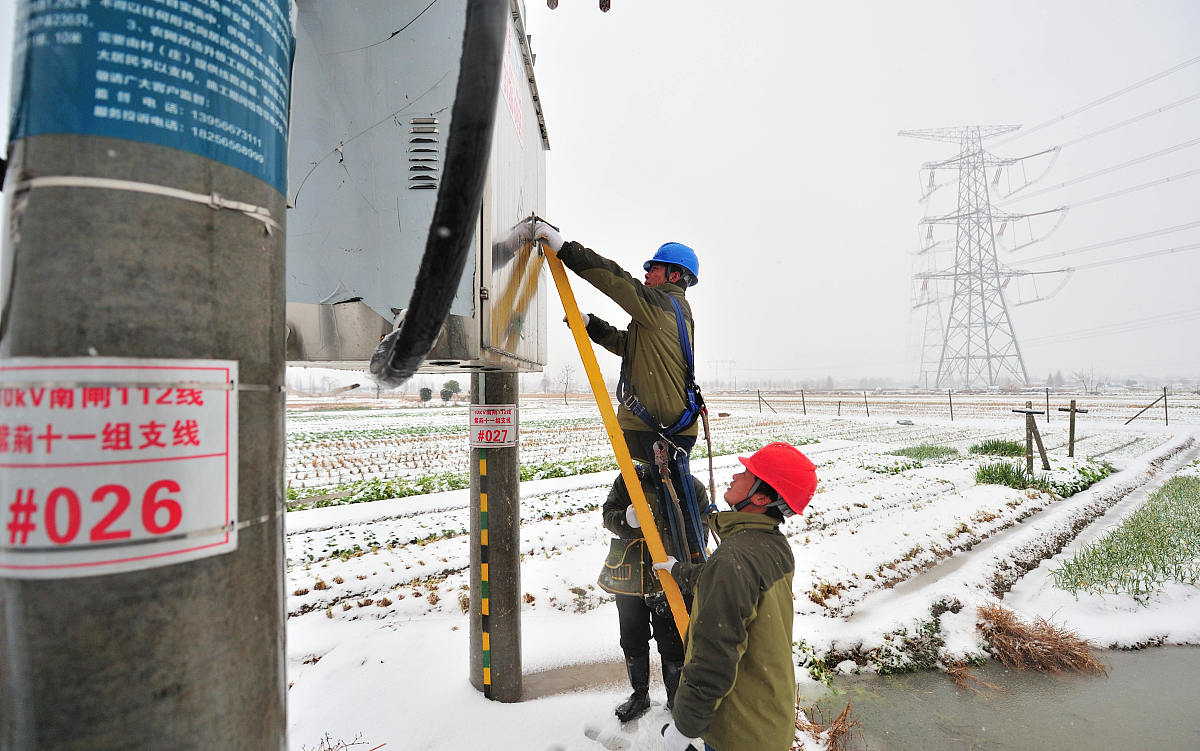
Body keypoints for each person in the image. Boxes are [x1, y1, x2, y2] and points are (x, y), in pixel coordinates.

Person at [533, 221, 707, 564]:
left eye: (653, 268)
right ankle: (677, 570)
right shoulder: (671, 314)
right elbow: (628, 346)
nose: (646, 274)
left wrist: (565, 249)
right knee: (669, 506)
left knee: (668, 512)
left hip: (658, 432)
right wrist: (591, 325)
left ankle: (676, 576)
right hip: (668, 431)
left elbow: (616, 281)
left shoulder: (659, 306)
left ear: (674, 275)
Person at [657, 442, 818, 751]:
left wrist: (684, 729)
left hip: (739, 733)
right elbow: (725, 585)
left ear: (759, 497)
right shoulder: (771, 545)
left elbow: (713, 659)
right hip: (768, 720)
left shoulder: (735, 559)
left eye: (746, 472)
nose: (734, 475)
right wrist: (680, 570)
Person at [599, 463, 709, 722]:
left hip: (670, 576)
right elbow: (608, 515)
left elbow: (701, 531)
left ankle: (675, 700)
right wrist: (625, 519)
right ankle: (640, 695)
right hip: (630, 577)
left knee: (672, 645)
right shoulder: (628, 480)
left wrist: (684, 569)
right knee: (632, 638)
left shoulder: (689, 485)